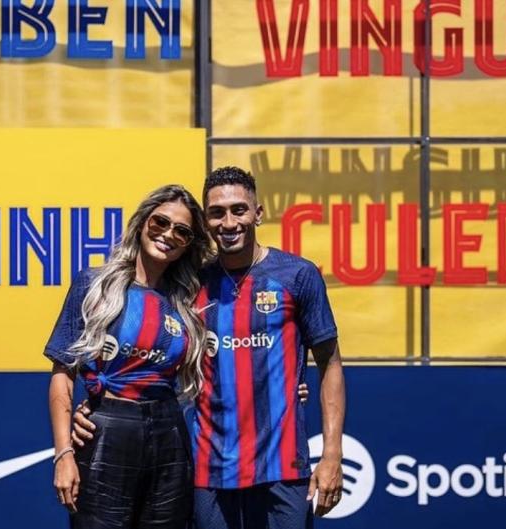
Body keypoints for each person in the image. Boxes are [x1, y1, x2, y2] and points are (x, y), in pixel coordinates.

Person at [74, 167, 346, 529]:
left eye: (239, 210)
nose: (228, 222)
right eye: (217, 213)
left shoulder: (298, 275)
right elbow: (148, 353)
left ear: (258, 213)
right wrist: (97, 403)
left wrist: (332, 454)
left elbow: (330, 364)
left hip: (283, 466)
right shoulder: (188, 283)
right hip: (210, 469)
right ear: (206, 221)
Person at [43, 185, 213, 529]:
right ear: (142, 222)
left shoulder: (189, 299)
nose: (168, 234)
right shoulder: (94, 284)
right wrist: (63, 454)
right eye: (160, 222)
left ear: (188, 245)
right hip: (106, 432)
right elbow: (63, 373)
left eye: (181, 231)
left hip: (169, 435)